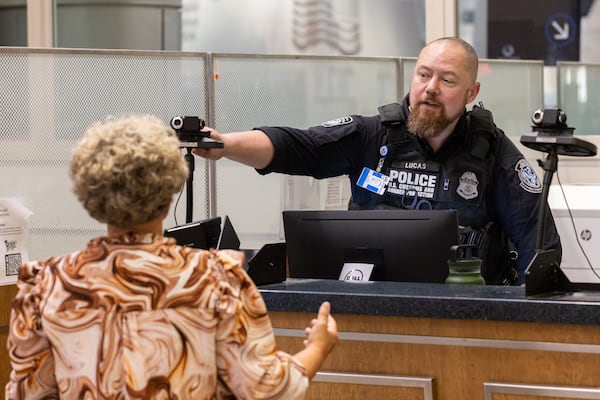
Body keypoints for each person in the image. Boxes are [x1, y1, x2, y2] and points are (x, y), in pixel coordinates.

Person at [5, 114, 338, 399]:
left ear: (88, 193)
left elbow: (27, 392)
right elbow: (267, 389)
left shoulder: (46, 285)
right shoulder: (215, 279)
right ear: (171, 187)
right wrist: (318, 347)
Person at [193, 37, 562, 286]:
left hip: (465, 312)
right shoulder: (372, 135)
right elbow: (295, 145)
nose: (430, 87)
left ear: (471, 93)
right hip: (369, 302)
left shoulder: (493, 152)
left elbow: (539, 246)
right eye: (423, 75)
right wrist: (225, 144)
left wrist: (517, 313)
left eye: (447, 80)